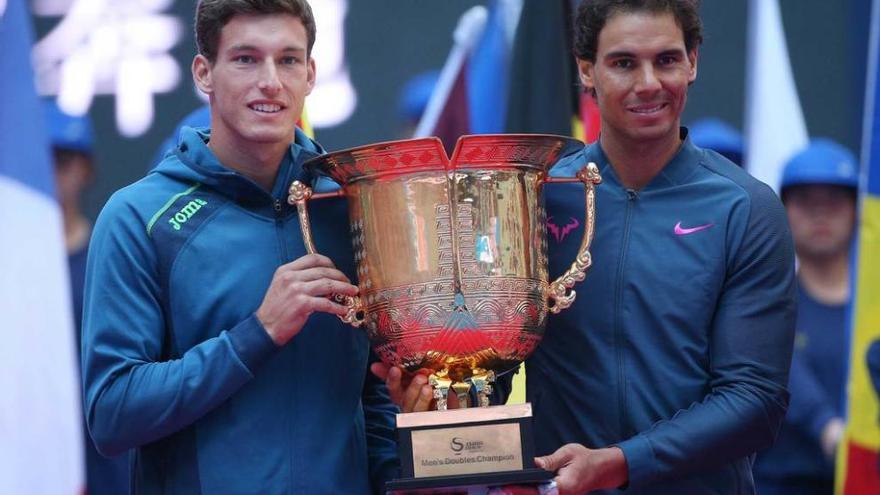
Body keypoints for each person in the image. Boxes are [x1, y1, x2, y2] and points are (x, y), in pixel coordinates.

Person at [375, 1, 797, 493]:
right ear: (585, 71)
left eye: (666, 60)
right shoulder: (531, 197)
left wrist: (621, 461)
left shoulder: (745, 208)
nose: (648, 83)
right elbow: (492, 369)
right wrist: (441, 403)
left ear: (693, 61)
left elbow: (755, 402)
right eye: (623, 63)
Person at [81, 1, 398, 493]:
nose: (270, 81)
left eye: (288, 60)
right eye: (246, 59)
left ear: (311, 74)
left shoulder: (350, 205)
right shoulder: (139, 218)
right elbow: (112, 412)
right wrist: (259, 332)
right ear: (204, 73)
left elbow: (375, 397)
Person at [754, 139, 860, 495]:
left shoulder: (872, 309)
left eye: (834, 200)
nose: (820, 213)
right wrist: (828, 428)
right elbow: (785, 372)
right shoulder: (761, 304)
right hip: (784, 484)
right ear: (783, 211)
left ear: (858, 210)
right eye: (805, 201)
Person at [44, 100, 129, 495]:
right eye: (39, 159)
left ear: (85, 168)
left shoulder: (111, 255)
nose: (49, 173)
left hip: (105, 447)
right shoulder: (9, 268)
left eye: (61, 160)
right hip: (31, 437)